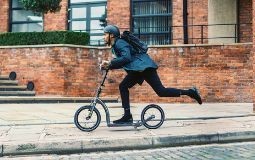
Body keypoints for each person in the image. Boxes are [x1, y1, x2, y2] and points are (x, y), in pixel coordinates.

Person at [100, 25, 202, 124]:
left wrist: (110, 63)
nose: (103, 37)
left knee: (161, 91)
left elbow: (126, 58)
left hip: (145, 68)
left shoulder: (119, 43)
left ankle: (190, 92)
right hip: (138, 70)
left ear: (111, 35)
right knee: (123, 86)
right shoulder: (116, 45)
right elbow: (126, 61)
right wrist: (109, 66)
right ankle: (127, 115)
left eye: (105, 34)